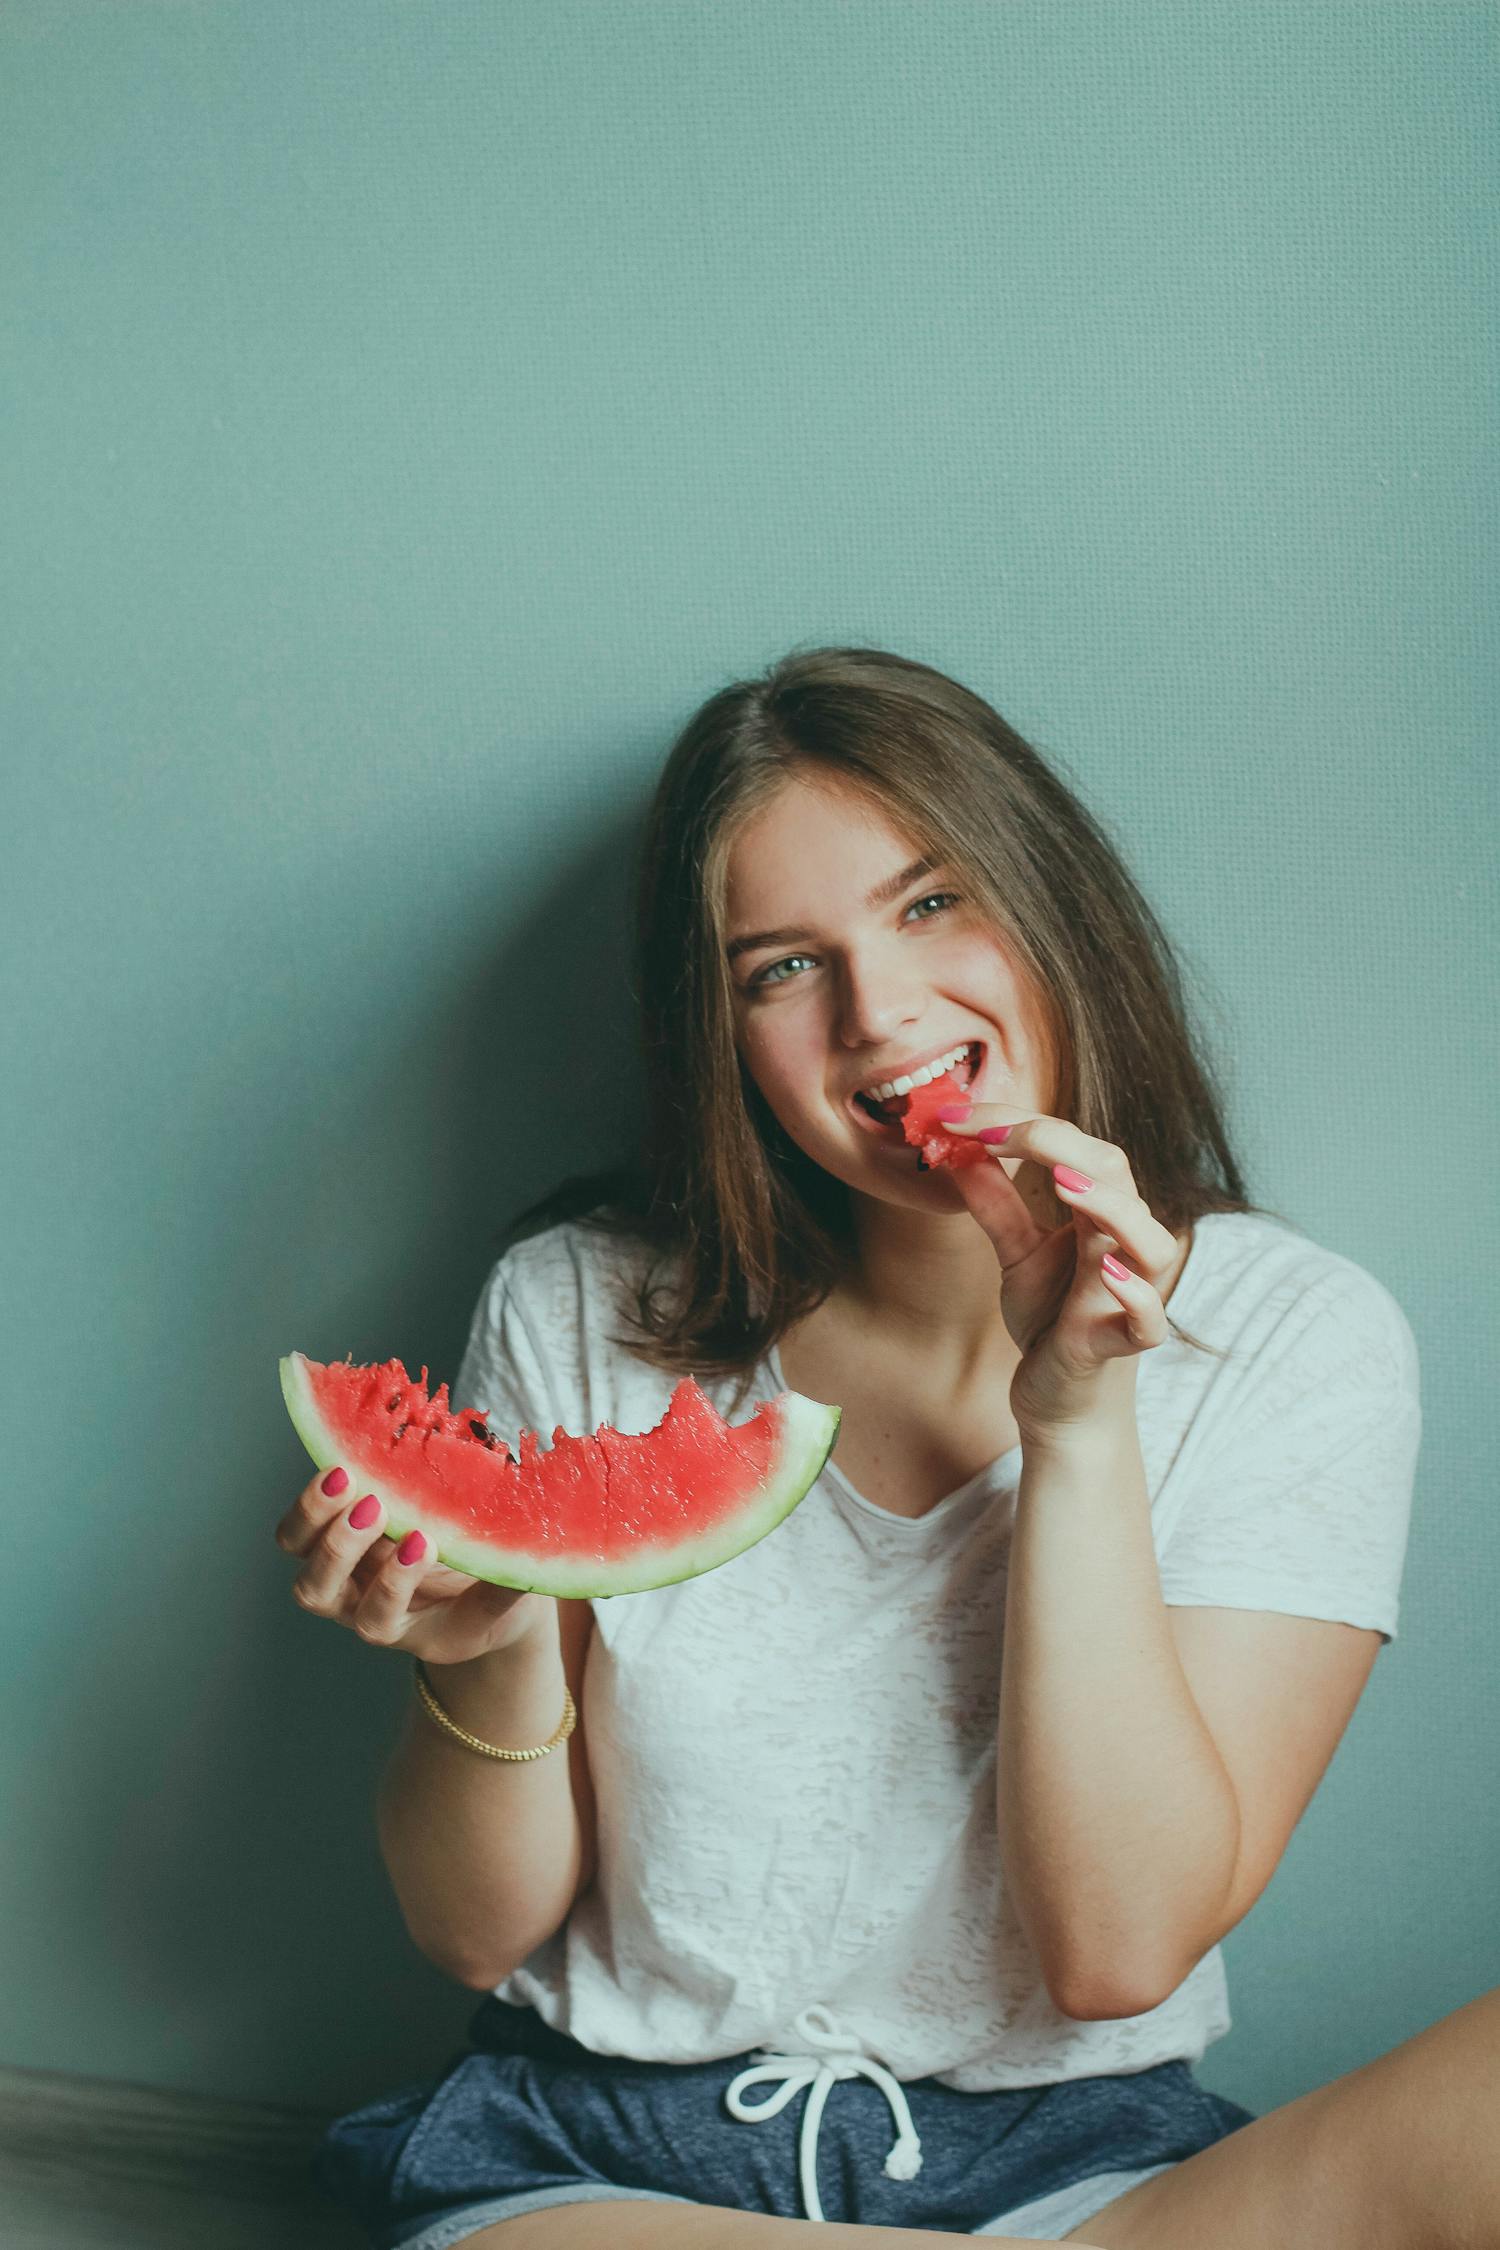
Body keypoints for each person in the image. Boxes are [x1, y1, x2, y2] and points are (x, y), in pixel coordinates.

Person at [280, 648, 1496, 2250]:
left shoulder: (1297, 1332)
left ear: (1054, 907)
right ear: (720, 1031)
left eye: (932, 905)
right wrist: (489, 1651)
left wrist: (1075, 1423)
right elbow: (473, 1927)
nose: (881, 1013)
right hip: (607, 2170)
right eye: (783, 966)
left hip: (1078, 2176)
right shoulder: (576, 1303)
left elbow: (1116, 1950)